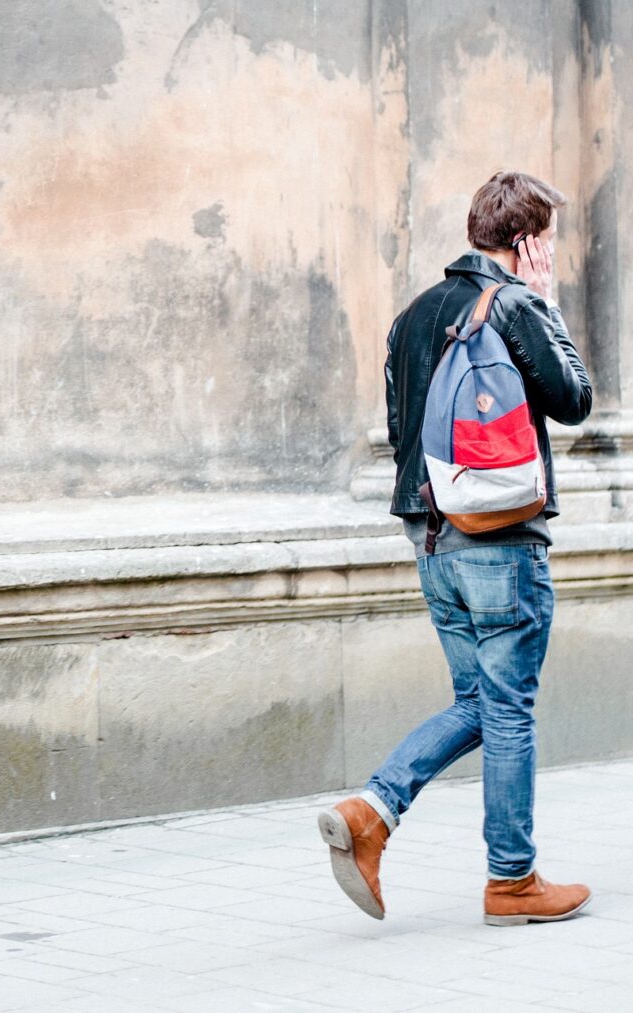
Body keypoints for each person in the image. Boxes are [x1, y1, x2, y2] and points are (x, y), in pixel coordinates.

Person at [318, 171, 593, 926]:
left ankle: (372, 810)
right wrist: (548, 305)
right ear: (528, 241)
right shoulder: (513, 303)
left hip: (430, 538)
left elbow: (406, 433)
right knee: (508, 709)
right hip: (501, 541)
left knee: (480, 700)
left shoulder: (413, 315)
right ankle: (512, 880)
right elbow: (575, 400)